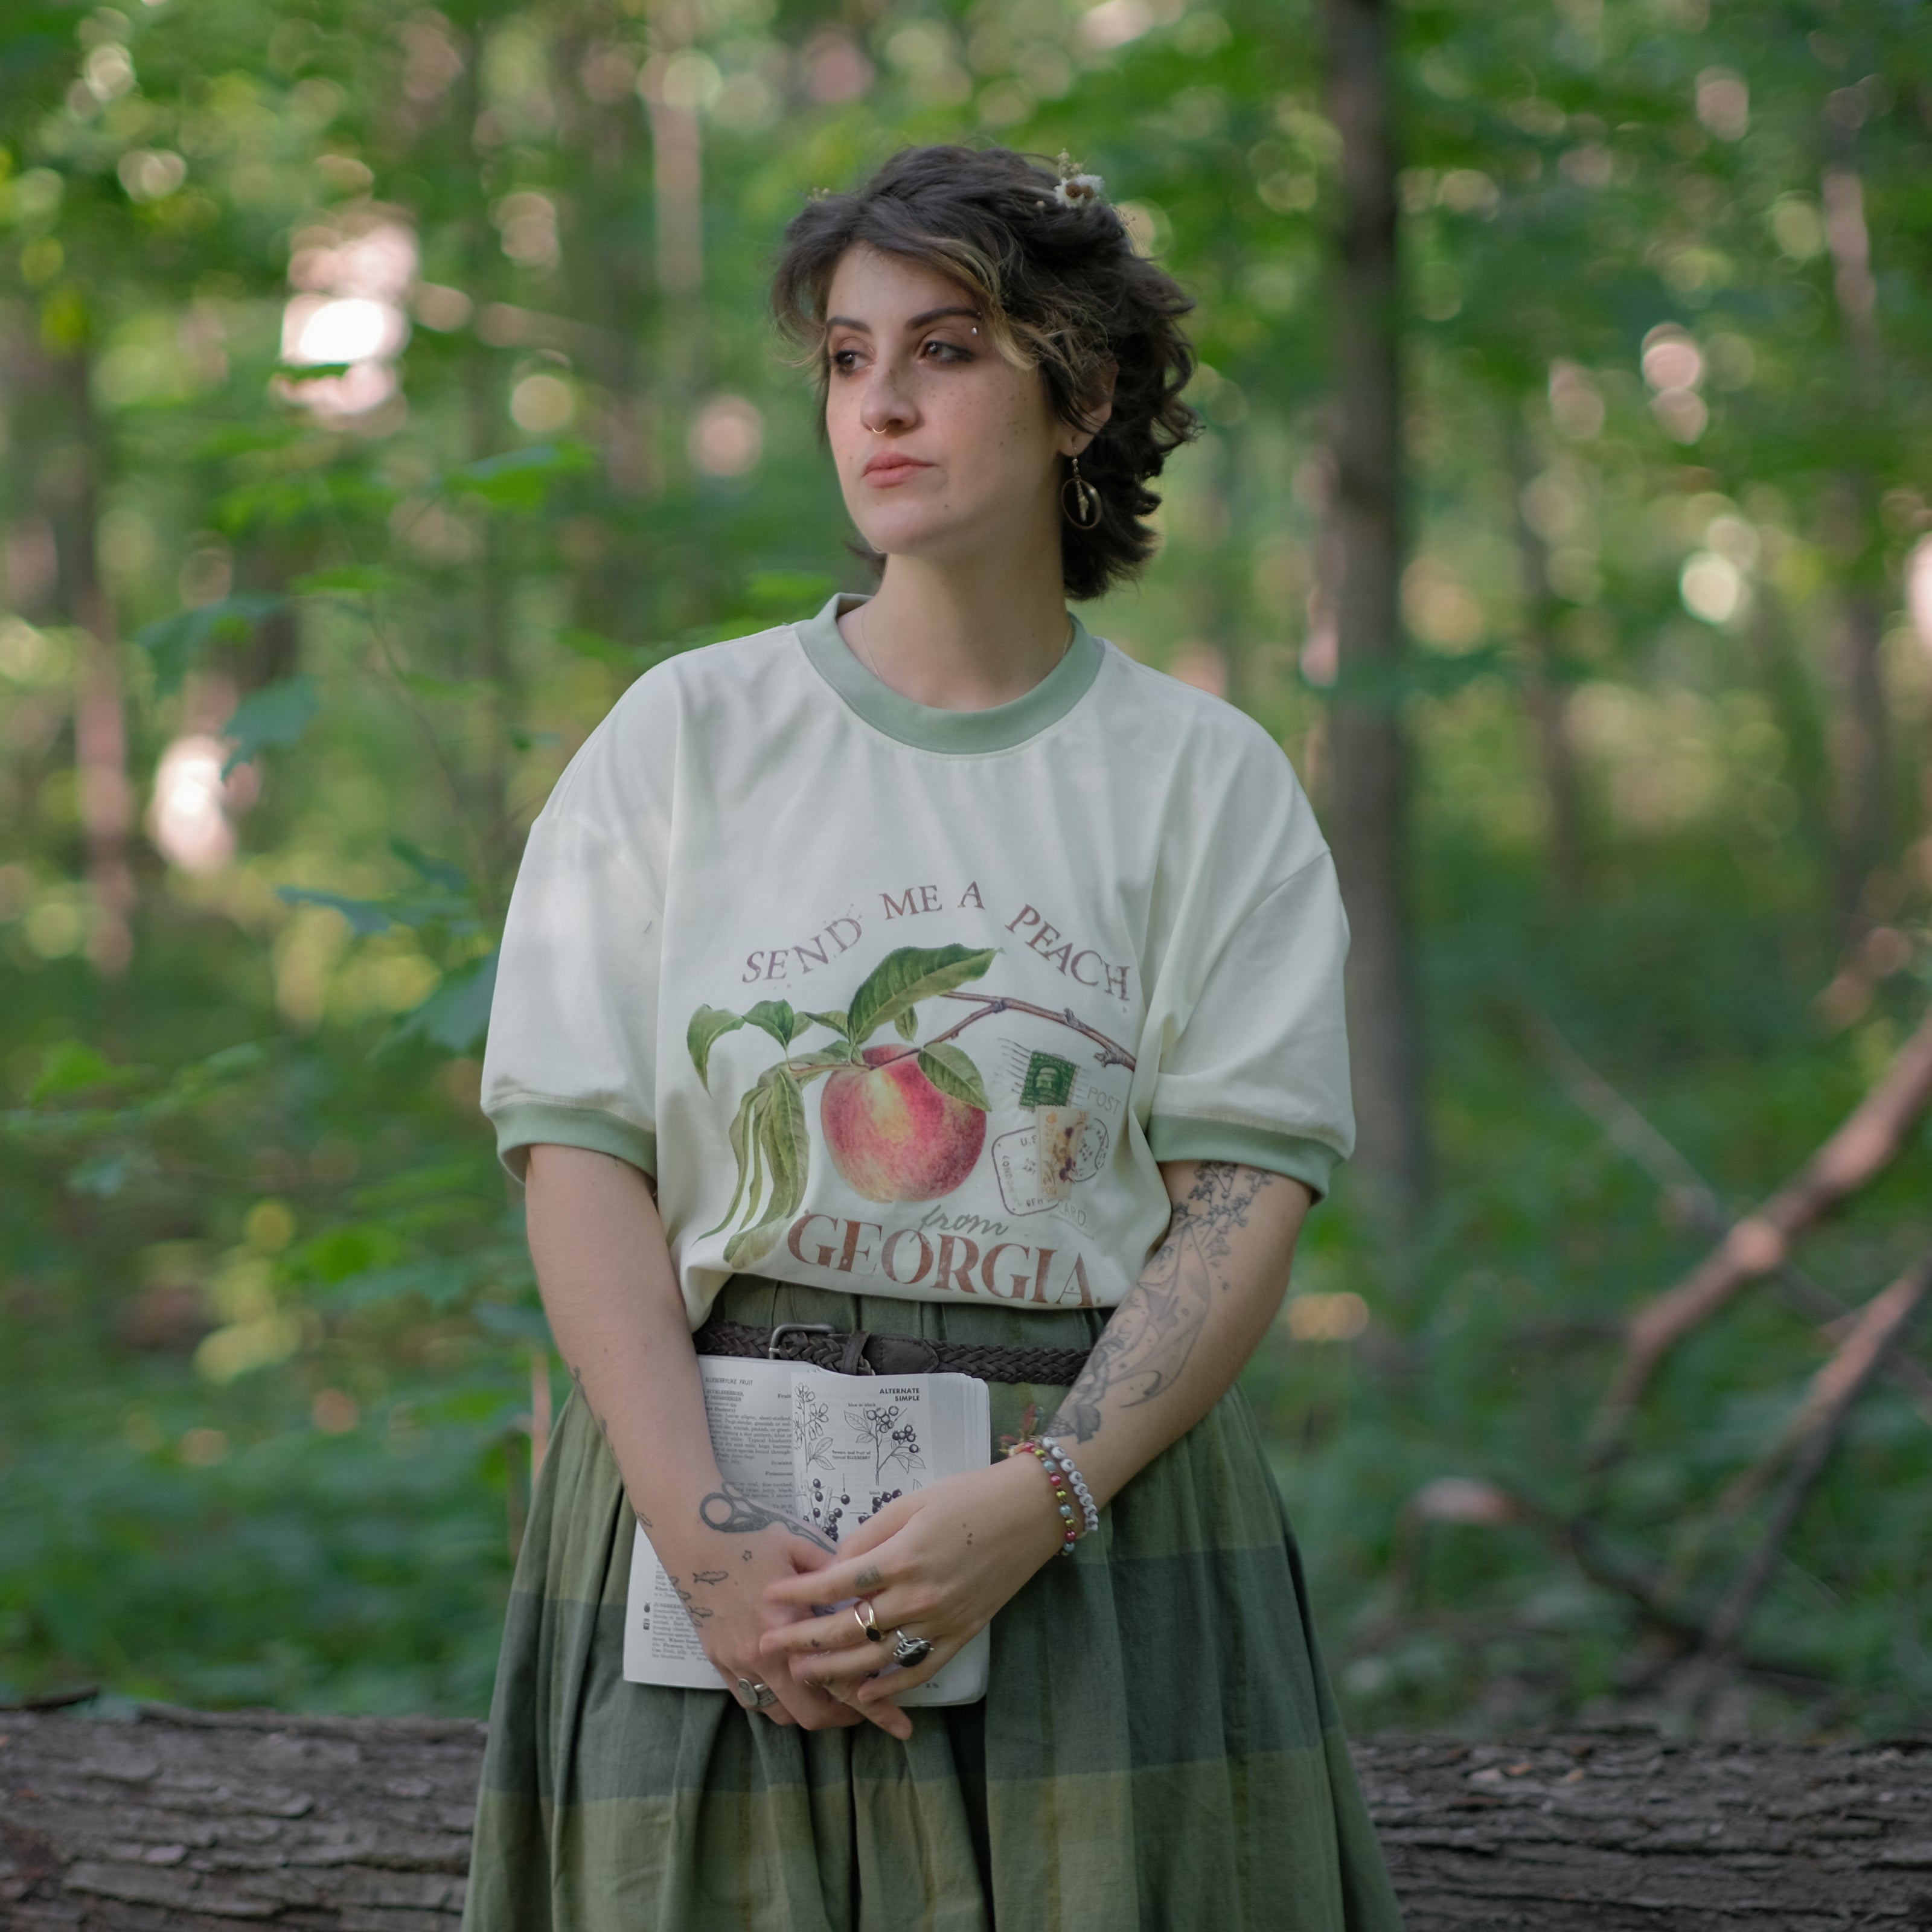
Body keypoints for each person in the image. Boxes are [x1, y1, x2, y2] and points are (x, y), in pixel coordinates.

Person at [461, 142, 1403, 1932]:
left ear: (1083, 394)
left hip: (1093, 1549)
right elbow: (578, 1154)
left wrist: (1042, 1500)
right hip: (714, 1520)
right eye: (843, 356)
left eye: (948, 348)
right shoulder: (684, 740)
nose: (881, 400)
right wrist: (711, 1540)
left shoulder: (1205, 783)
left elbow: (1242, 1195)